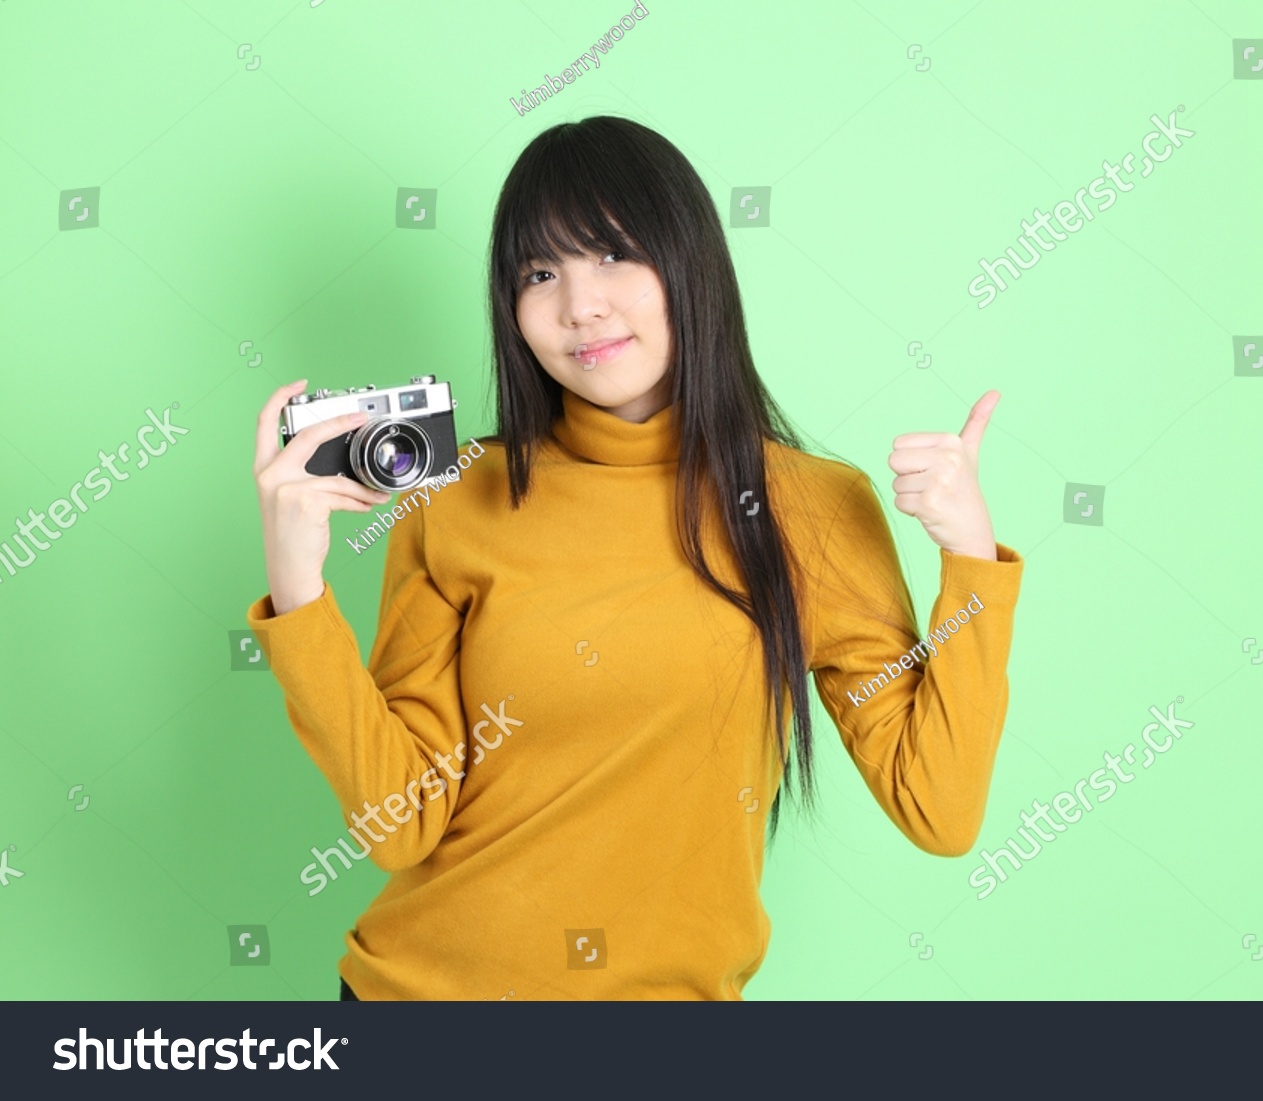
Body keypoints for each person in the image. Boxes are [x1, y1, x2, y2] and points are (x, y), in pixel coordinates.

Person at [246, 115, 1024, 1001]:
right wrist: (298, 590)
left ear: (690, 266)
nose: (580, 304)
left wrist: (971, 558)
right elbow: (401, 825)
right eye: (541, 273)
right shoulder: (458, 497)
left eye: (614, 254)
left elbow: (939, 806)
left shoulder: (812, 508)